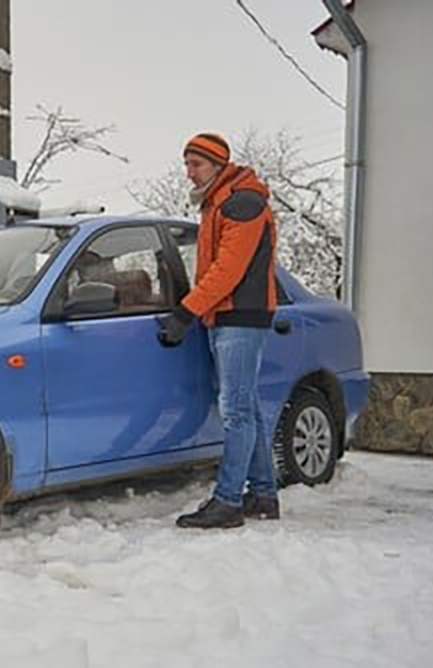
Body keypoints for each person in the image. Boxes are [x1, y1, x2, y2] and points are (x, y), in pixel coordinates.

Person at [157, 133, 281, 529]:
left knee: (237, 411)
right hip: (228, 317)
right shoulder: (219, 202)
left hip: (242, 317)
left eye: (196, 164)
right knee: (248, 410)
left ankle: (228, 501)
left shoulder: (242, 203)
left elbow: (227, 270)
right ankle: (263, 494)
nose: (188, 172)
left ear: (217, 164)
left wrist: (186, 311)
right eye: (186, 163)